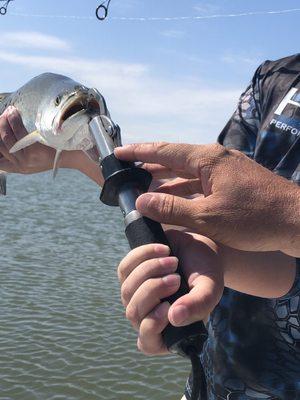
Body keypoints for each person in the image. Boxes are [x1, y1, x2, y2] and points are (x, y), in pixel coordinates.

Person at [0, 54, 299, 399]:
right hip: (211, 382)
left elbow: (276, 221)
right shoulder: (274, 78)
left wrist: (291, 212)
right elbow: (216, 209)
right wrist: (73, 155)